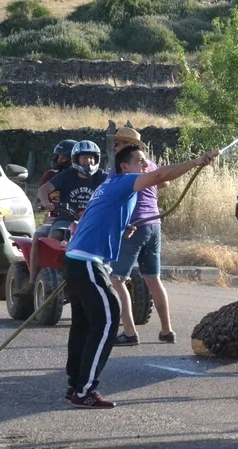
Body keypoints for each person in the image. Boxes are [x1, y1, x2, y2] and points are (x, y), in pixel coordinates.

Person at [63, 144, 218, 408]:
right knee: (107, 318)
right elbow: (160, 176)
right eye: (140, 161)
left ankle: (75, 385)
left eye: (146, 161)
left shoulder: (110, 186)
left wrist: (123, 228)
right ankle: (85, 390)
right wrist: (196, 162)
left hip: (76, 260)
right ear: (125, 166)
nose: (146, 165)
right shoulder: (124, 181)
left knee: (84, 324)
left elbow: (96, 217)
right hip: (87, 262)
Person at [107, 127, 175, 347]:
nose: (115, 147)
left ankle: (129, 332)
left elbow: (111, 198)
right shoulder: (150, 165)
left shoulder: (121, 169)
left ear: (129, 145)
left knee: (117, 279)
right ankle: (167, 330)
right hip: (154, 226)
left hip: (134, 226)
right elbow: (164, 181)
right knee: (153, 278)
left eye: (118, 143)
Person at [17, 141, 107, 296]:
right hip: (66, 218)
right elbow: (43, 190)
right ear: (76, 159)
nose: (89, 161)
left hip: (94, 221)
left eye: (92, 158)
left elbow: (116, 188)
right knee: (55, 236)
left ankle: (111, 274)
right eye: (85, 158)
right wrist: (47, 203)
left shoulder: (102, 176)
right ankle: (53, 275)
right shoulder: (67, 175)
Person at [18, 139, 76, 297]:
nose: (59, 160)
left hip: (79, 219)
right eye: (58, 156)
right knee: (38, 236)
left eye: (63, 157)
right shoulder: (50, 176)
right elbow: (38, 200)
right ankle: (34, 281)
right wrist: (45, 205)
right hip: (54, 219)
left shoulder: (82, 178)